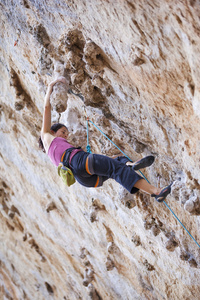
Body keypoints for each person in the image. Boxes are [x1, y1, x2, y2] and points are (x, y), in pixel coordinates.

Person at [39, 77, 172, 202]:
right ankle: (156, 191)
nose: (66, 136)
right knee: (117, 169)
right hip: (80, 162)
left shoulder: (52, 154)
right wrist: (51, 85)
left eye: (66, 134)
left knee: (117, 161)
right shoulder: (46, 136)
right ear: (53, 132)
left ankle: (131, 165)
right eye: (63, 132)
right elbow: (46, 108)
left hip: (84, 178)